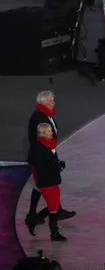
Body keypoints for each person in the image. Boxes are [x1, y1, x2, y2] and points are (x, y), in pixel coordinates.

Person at [25, 91, 76, 234]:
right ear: (44, 102)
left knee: (40, 185)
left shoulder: (45, 114)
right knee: (45, 184)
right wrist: (48, 156)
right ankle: (49, 216)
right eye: (51, 100)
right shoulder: (38, 117)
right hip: (41, 155)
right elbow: (35, 139)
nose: (54, 102)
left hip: (46, 152)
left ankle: (34, 214)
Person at [28, 123, 67, 241]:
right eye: (49, 131)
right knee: (53, 206)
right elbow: (40, 165)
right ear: (44, 134)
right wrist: (56, 166)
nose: (52, 133)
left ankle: (34, 220)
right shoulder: (38, 147)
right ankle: (54, 233)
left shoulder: (47, 145)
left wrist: (57, 164)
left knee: (54, 204)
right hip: (46, 181)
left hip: (52, 179)